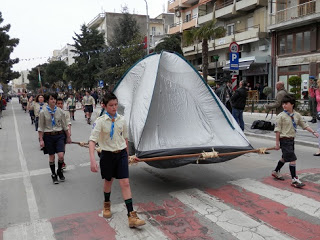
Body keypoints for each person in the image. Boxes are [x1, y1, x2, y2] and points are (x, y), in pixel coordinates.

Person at [89, 92, 145, 228]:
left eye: (116, 105)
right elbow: (92, 141)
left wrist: (127, 155)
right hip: (107, 155)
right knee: (108, 181)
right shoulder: (100, 122)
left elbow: (124, 138)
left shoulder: (122, 119)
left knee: (125, 183)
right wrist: (92, 160)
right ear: (104, 105)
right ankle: (106, 204)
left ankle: (131, 215)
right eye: (111, 105)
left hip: (120, 154)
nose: (114, 108)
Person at [271, 94, 319, 188]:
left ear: (292, 104)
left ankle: (275, 171)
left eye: (286, 103)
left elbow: (304, 125)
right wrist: (277, 144)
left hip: (291, 140)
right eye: (283, 104)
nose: (284, 105)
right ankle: (294, 180)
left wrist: (313, 132)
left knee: (285, 158)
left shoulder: (297, 115)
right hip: (284, 140)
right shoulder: (281, 116)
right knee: (292, 159)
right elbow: (277, 130)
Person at [38, 93, 71, 184]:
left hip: (59, 135)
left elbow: (65, 125)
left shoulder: (60, 111)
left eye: (54, 99)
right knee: (51, 156)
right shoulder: (42, 112)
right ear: (47, 100)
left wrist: (68, 137)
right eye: (51, 99)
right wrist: (41, 140)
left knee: (61, 155)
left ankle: (59, 171)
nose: (53, 101)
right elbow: (40, 127)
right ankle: (53, 174)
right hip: (48, 136)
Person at [56, 97, 72, 170]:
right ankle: (60, 160)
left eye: (61, 104)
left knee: (62, 149)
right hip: (54, 133)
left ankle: (61, 161)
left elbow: (68, 123)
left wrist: (69, 132)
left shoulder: (66, 113)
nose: (60, 105)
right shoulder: (52, 113)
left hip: (63, 133)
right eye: (58, 104)